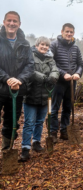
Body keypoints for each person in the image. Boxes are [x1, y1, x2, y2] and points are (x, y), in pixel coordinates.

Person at [20, 37, 59, 161]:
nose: (44, 47)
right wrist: (43, 77)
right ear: (37, 45)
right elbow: (29, 71)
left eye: (46, 45)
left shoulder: (50, 58)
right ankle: (25, 147)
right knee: (29, 122)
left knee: (40, 121)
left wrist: (52, 77)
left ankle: (36, 142)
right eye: (42, 44)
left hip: (46, 95)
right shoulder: (30, 56)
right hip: (31, 94)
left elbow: (55, 70)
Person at [0, 11, 34, 150]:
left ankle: (7, 150)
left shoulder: (25, 44)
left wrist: (19, 80)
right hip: (1, 88)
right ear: (4, 22)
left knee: (12, 121)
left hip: (17, 91)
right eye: (9, 20)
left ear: (19, 24)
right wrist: (7, 79)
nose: (12, 23)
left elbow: (30, 65)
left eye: (15, 21)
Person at [50, 23, 83, 143]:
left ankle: (64, 131)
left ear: (73, 33)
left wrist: (78, 74)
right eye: (67, 32)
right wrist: (62, 73)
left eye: (71, 32)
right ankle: (53, 132)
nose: (69, 34)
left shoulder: (75, 47)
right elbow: (51, 63)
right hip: (58, 82)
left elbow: (80, 64)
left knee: (68, 107)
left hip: (71, 83)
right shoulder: (54, 45)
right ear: (62, 32)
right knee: (54, 108)